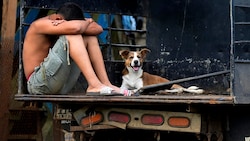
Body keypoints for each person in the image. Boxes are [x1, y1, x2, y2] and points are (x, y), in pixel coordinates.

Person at [23, 2, 132, 96]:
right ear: (58, 19)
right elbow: (76, 28)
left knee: (89, 36)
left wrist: (84, 23)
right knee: (72, 35)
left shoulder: (61, 20)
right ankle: (94, 84)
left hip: (59, 84)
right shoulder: (40, 25)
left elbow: (97, 29)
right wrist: (87, 21)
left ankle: (105, 83)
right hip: (38, 84)